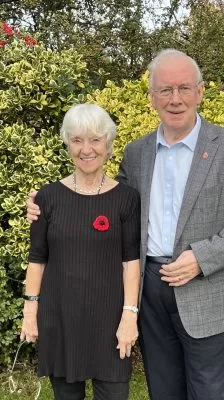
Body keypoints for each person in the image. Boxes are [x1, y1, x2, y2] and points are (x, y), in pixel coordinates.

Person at [27, 49, 224, 400]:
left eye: (184, 88)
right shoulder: (137, 153)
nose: (175, 99)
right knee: (163, 390)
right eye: (165, 90)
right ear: (152, 97)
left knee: (210, 392)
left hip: (209, 291)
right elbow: (104, 200)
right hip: (150, 292)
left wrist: (202, 258)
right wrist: (43, 205)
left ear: (200, 92)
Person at [21, 104, 141, 400]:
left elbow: (131, 262)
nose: (86, 149)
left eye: (95, 139)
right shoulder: (46, 198)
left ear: (108, 145)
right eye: (77, 140)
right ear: (68, 144)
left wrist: (130, 315)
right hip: (60, 316)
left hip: (111, 319)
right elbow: (37, 258)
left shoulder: (126, 199)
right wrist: (30, 311)